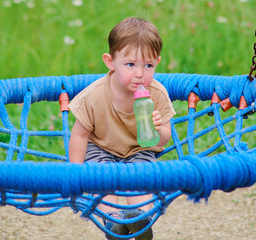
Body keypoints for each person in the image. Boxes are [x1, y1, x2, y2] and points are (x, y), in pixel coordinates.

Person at [68, 17, 176, 240]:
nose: (139, 73)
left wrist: (158, 129)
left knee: (139, 184)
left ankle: (141, 221)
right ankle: (113, 223)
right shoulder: (95, 94)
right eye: (130, 64)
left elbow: (163, 140)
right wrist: (74, 174)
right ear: (110, 61)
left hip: (139, 149)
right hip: (101, 149)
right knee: (102, 182)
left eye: (148, 66)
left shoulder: (156, 94)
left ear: (157, 62)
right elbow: (79, 135)